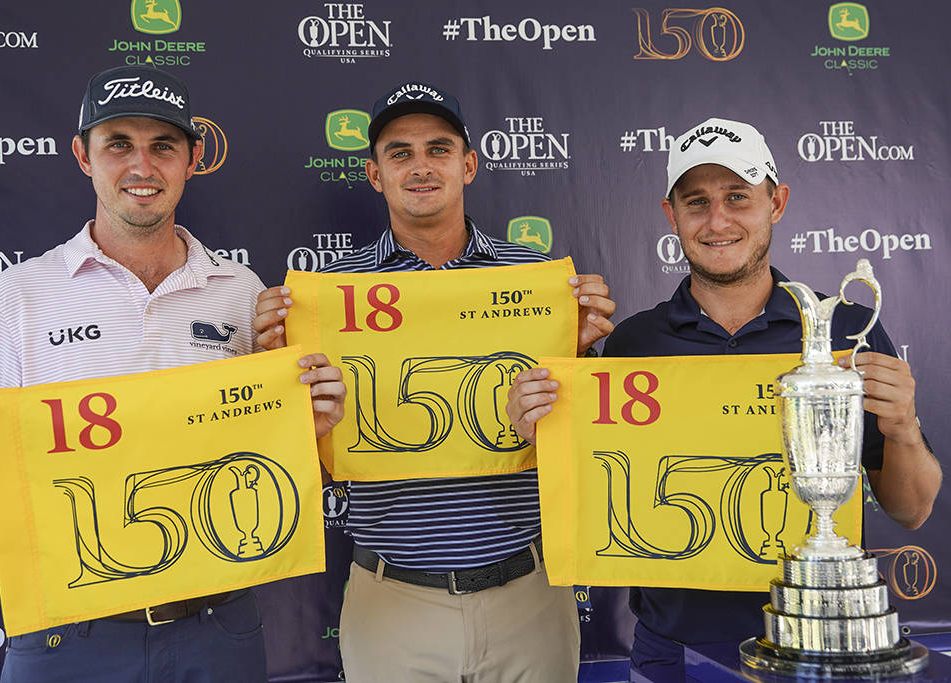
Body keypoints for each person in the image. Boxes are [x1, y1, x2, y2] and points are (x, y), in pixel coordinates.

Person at [0, 65, 346, 682]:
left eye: (163, 146)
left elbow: (261, 463)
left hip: (218, 627)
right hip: (66, 637)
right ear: (82, 155)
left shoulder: (241, 291)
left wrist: (309, 423)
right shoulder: (20, 293)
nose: (142, 167)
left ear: (192, 159)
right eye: (118, 144)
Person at [506, 117, 942, 681]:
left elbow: (912, 511)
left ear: (776, 202)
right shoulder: (635, 342)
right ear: (671, 215)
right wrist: (544, 424)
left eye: (738, 197)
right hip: (672, 651)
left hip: (820, 645)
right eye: (697, 202)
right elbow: (596, 495)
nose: (718, 221)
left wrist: (904, 426)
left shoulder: (845, 332)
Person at [254, 81, 616, 682]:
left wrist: (579, 358)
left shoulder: (537, 280)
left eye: (438, 149)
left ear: (468, 164)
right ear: (375, 174)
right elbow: (298, 455)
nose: (420, 167)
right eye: (400, 153)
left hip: (529, 587)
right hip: (392, 596)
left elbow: (586, 445)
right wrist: (278, 376)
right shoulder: (326, 296)